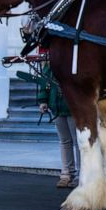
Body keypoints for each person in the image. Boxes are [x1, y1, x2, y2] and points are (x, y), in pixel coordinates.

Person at [37, 60, 80, 188]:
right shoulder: (51, 62)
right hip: (56, 106)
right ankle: (67, 173)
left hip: (73, 107)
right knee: (65, 141)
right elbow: (44, 82)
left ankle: (80, 173)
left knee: (78, 141)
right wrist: (43, 100)